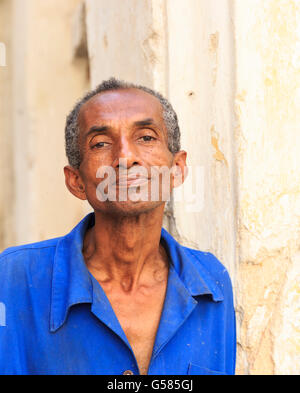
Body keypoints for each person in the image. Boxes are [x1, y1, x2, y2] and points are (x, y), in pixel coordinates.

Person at [0, 78, 236, 375]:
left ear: (176, 169)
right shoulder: (13, 279)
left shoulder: (212, 284)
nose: (125, 157)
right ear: (76, 181)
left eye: (146, 138)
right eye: (101, 143)